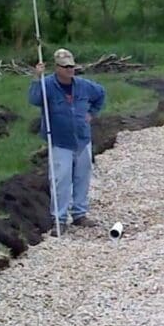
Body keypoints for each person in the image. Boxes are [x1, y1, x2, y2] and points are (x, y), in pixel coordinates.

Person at [29, 48, 106, 233]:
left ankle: (80, 214)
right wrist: (36, 78)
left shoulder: (85, 86)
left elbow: (101, 94)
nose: (70, 70)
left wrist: (91, 113)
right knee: (60, 179)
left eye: (72, 66)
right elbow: (34, 99)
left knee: (82, 177)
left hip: (82, 139)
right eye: (65, 67)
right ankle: (60, 219)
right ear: (57, 67)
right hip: (59, 141)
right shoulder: (46, 85)